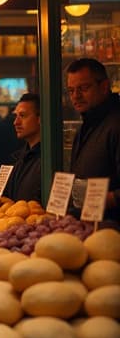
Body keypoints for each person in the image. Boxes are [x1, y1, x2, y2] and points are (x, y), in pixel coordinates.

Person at [66, 58, 120, 221]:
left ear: (104, 86)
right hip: (86, 228)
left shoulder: (116, 124)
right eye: (71, 90)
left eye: (83, 88)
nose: (76, 96)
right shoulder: (86, 125)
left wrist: (102, 199)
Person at [3, 93, 41, 203]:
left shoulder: (47, 160)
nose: (16, 122)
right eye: (16, 116)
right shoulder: (20, 157)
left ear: (40, 118)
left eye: (23, 116)